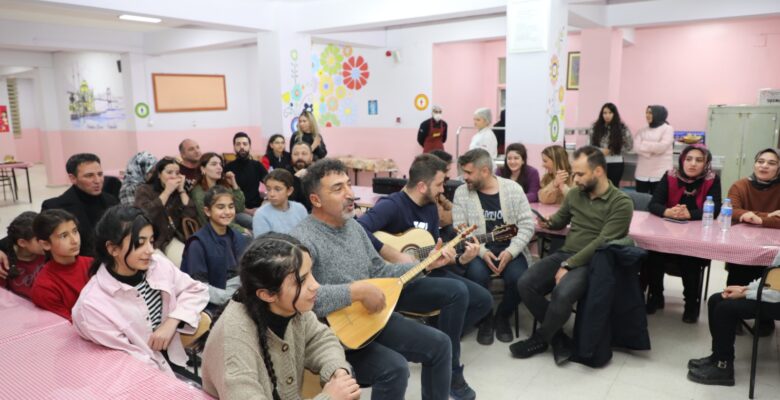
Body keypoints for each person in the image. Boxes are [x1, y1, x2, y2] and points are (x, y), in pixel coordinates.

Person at [290, 158, 458, 400]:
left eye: (349, 185)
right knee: (395, 369)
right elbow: (303, 300)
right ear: (315, 200)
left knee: (440, 344)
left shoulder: (355, 228)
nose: (350, 194)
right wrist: (356, 292)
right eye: (338, 189)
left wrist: (424, 265)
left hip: (371, 319)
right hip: (333, 337)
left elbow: (380, 273)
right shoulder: (302, 240)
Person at [357, 153, 492, 394]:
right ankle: (451, 371)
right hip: (395, 282)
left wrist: (460, 259)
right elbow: (357, 228)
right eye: (440, 184)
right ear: (422, 185)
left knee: (483, 301)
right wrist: (394, 254)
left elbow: (430, 255)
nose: (443, 189)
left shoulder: (430, 208)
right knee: (458, 292)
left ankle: (435, 341)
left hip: (424, 274)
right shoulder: (391, 205)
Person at [201, 233, 359, 400]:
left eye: (311, 272)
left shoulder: (292, 309)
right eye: (302, 280)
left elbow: (321, 339)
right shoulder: (235, 341)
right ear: (267, 295)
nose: (315, 285)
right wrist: (329, 397)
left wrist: (337, 371)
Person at [512, 146, 633, 364]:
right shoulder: (576, 194)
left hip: (592, 261)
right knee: (525, 283)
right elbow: (560, 220)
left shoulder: (621, 202)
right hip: (567, 253)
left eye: (580, 174)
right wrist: (548, 222)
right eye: (574, 173)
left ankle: (540, 338)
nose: (574, 179)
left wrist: (568, 265)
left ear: (598, 172)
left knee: (562, 293)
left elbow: (601, 242)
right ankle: (557, 338)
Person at [72, 205, 209, 376]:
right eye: (140, 243)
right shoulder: (91, 306)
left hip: (171, 360)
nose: (150, 250)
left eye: (151, 241)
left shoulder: (158, 265)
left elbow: (197, 290)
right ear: (113, 249)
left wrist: (172, 321)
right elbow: (132, 361)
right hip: (138, 378)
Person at [452, 149, 535, 345]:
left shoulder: (513, 189)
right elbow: (460, 229)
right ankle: (486, 318)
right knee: (476, 276)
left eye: (469, 173)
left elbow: (526, 225)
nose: (465, 177)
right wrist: (482, 251)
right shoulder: (461, 193)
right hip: (477, 249)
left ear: (485, 171)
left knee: (520, 279)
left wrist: (510, 251)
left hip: (511, 247)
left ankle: (502, 316)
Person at [645, 144, 721, 322]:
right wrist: (668, 212)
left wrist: (690, 214)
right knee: (654, 254)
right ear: (682, 160)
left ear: (706, 163)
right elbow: (654, 204)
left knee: (690, 259)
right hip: (667, 233)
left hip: (695, 237)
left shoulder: (711, 180)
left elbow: (715, 210)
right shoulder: (670, 175)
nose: (692, 164)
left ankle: (691, 304)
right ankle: (656, 296)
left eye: (699, 160)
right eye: (688, 159)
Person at [723, 148, 780, 334]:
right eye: (760, 161)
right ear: (754, 164)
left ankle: (765, 319)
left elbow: (743, 214)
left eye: (771, 163)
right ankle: (734, 315)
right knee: (739, 265)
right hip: (743, 244)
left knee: (769, 271)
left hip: (773, 246)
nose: (764, 166)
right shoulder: (740, 185)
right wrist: (769, 217)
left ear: (778, 168)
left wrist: (755, 217)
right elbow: (732, 210)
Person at [686, 282, 780, 386]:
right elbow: (769, 279)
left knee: (724, 309)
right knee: (715, 300)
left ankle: (723, 367)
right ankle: (717, 356)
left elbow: (776, 295)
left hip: (776, 301)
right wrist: (744, 288)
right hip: (770, 294)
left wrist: (746, 293)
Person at [182, 186, 250, 311]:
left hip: (241, 296)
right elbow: (198, 285)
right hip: (214, 303)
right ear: (207, 211)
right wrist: (229, 297)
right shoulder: (197, 243)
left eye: (231, 206)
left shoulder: (239, 237)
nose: (227, 212)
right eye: (220, 207)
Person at [41, 153, 119, 257]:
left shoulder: (112, 201)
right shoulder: (54, 207)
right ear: (73, 178)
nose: (97, 180)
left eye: (100, 174)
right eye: (89, 175)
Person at [30, 210, 93, 321]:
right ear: (45, 244)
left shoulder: (93, 264)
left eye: (75, 231)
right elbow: (67, 325)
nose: (74, 240)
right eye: (64, 236)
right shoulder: (45, 287)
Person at [134, 158, 197, 267]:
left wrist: (182, 190)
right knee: (164, 268)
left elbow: (191, 213)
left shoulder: (177, 192)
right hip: (151, 241)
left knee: (187, 262)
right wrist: (167, 192)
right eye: (169, 172)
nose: (173, 176)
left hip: (170, 238)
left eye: (177, 173)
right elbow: (144, 215)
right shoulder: (144, 190)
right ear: (159, 174)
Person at [189, 152, 251, 231]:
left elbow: (239, 209)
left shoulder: (222, 185)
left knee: (253, 222)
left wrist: (234, 183)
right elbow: (210, 221)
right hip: (215, 229)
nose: (220, 168)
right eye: (214, 164)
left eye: (220, 164)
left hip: (231, 220)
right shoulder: (198, 192)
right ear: (203, 169)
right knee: (248, 236)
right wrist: (241, 229)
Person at [0, 212, 45, 298]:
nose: (46, 241)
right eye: (39, 238)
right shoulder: (5, 264)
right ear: (22, 242)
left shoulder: (47, 253)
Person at [253, 169, 307, 236]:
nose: (272, 194)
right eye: (268, 189)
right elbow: (262, 244)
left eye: (277, 189)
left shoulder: (300, 209)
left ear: (289, 191)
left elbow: (307, 235)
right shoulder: (261, 215)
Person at [590, 103, 633, 187]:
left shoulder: (622, 128)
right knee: (598, 187)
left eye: (610, 113)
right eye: (605, 113)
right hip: (599, 163)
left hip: (616, 163)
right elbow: (589, 146)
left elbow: (629, 146)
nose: (607, 115)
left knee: (613, 189)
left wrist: (612, 150)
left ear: (614, 114)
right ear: (601, 114)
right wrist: (600, 151)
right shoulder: (595, 127)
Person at [225, 132, 269, 215]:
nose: (242, 147)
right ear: (234, 147)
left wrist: (266, 201)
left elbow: (270, 184)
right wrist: (246, 211)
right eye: (238, 144)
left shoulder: (257, 165)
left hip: (258, 208)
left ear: (249, 147)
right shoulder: (228, 168)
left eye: (245, 144)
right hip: (237, 210)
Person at [634, 105, 674, 194]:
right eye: (647, 112)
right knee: (641, 200)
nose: (647, 115)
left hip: (660, 172)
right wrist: (652, 150)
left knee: (657, 201)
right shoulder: (642, 130)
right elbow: (636, 147)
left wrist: (643, 145)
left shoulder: (667, 129)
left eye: (651, 113)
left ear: (658, 114)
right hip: (642, 172)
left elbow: (661, 147)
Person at [288, 141, 314, 212]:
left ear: (311, 157)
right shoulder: (284, 175)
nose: (300, 157)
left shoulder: (318, 174)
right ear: (291, 156)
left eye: (304, 154)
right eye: (296, 154)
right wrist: (295, 178)